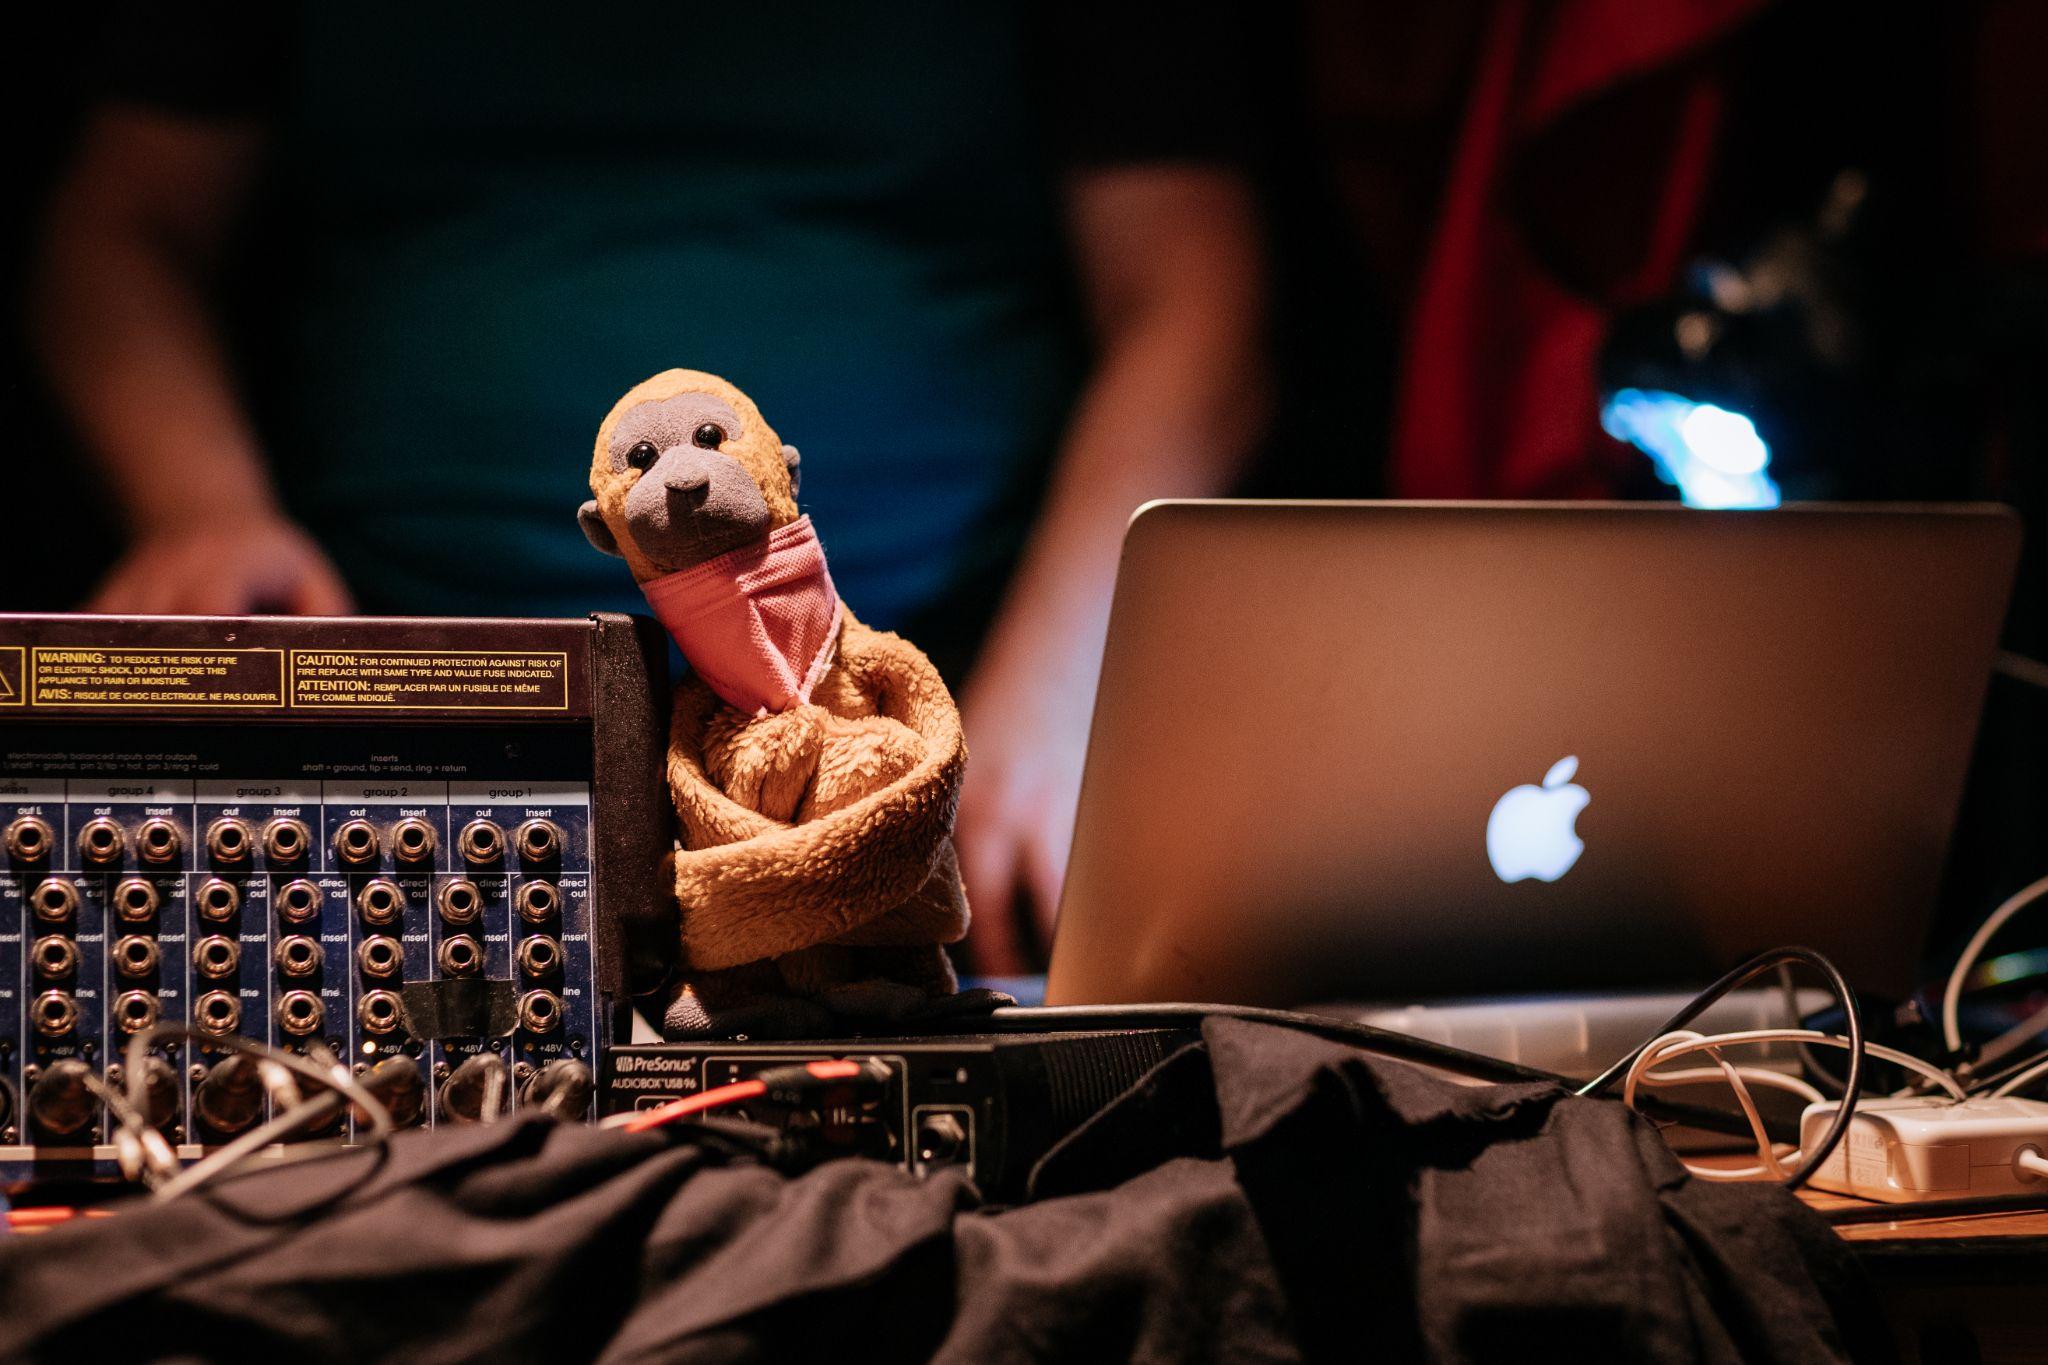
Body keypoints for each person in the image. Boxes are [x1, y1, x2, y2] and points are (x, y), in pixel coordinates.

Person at [32, 2, 1267, 975]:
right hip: (394, 733)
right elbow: (120, 227)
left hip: (954, 720)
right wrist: (201, 508)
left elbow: (1195, 290)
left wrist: (1050, 709)